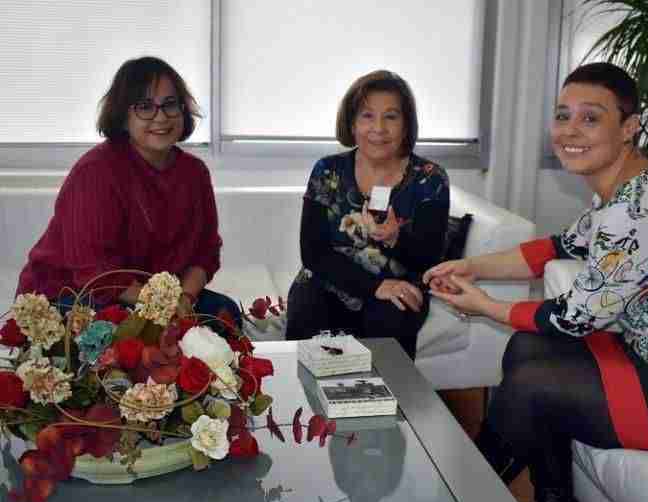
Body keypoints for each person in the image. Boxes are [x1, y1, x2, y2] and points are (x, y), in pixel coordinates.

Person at [424, 62, 648, 502]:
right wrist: (471, 265)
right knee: (525, 348)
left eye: (591, 118)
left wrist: (484, 305)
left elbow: (573, 318)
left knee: (533, 385)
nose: (570, 130)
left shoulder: (638, 213)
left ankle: (458, 496)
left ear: (629, 127)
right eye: (562, 115)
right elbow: (557, 247)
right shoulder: (629, 186)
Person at [16, 56, 240, 326]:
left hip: (152, 297)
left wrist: (184, 299)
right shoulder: (96, 171)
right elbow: (94, 272)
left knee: (224, 315)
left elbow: (206, 252)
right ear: (123, 117)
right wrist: (162, 307)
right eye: (145, 107)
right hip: (72, 294)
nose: (161, 117)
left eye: (170, 104)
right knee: (130, 336)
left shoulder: (195, 173)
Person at [285, 70, 449, 359]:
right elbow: (313, 253)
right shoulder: (328, 170)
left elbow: (429, 259)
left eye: (391, 117)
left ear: (406, 124)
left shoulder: (430, 178)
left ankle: (391, 389)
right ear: (352, 122)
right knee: (307, 308)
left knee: (391, 317)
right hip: (331, 278)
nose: (379, 128)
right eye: (367, 116)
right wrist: (374, 287)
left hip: (399, 285)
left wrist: (396, 239)